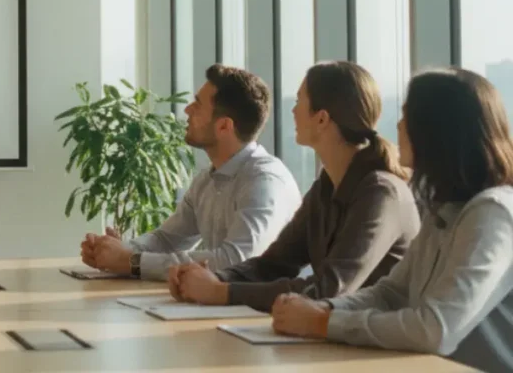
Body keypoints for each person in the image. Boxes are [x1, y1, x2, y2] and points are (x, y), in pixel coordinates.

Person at [271, 68, 513, 373]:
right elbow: (391, 294)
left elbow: (434, 329)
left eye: (406, 115)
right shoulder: (442, 210)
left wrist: (323, 322)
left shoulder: (493, 214)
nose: (397, 126)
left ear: (436, 130)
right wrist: (322, 309)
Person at [170, 61, 421, 312]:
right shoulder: (325, 187)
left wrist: (221, 292)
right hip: (336, 337)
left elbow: (328, 289)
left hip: (377, 346)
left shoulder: (380, 193)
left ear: (322, 118)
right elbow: (273, 265)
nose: (293, 110)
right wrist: (210, 278)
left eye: (299, 100)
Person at [79, 65, 301, 281]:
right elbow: (166, 239)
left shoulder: (265, 181)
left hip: (263, 314)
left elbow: (234, 261)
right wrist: (114, 251)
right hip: (221, 306)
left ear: (224, 126)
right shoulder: (208, 179)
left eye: (197, 104)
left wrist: (131, 261)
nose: (187, 110)